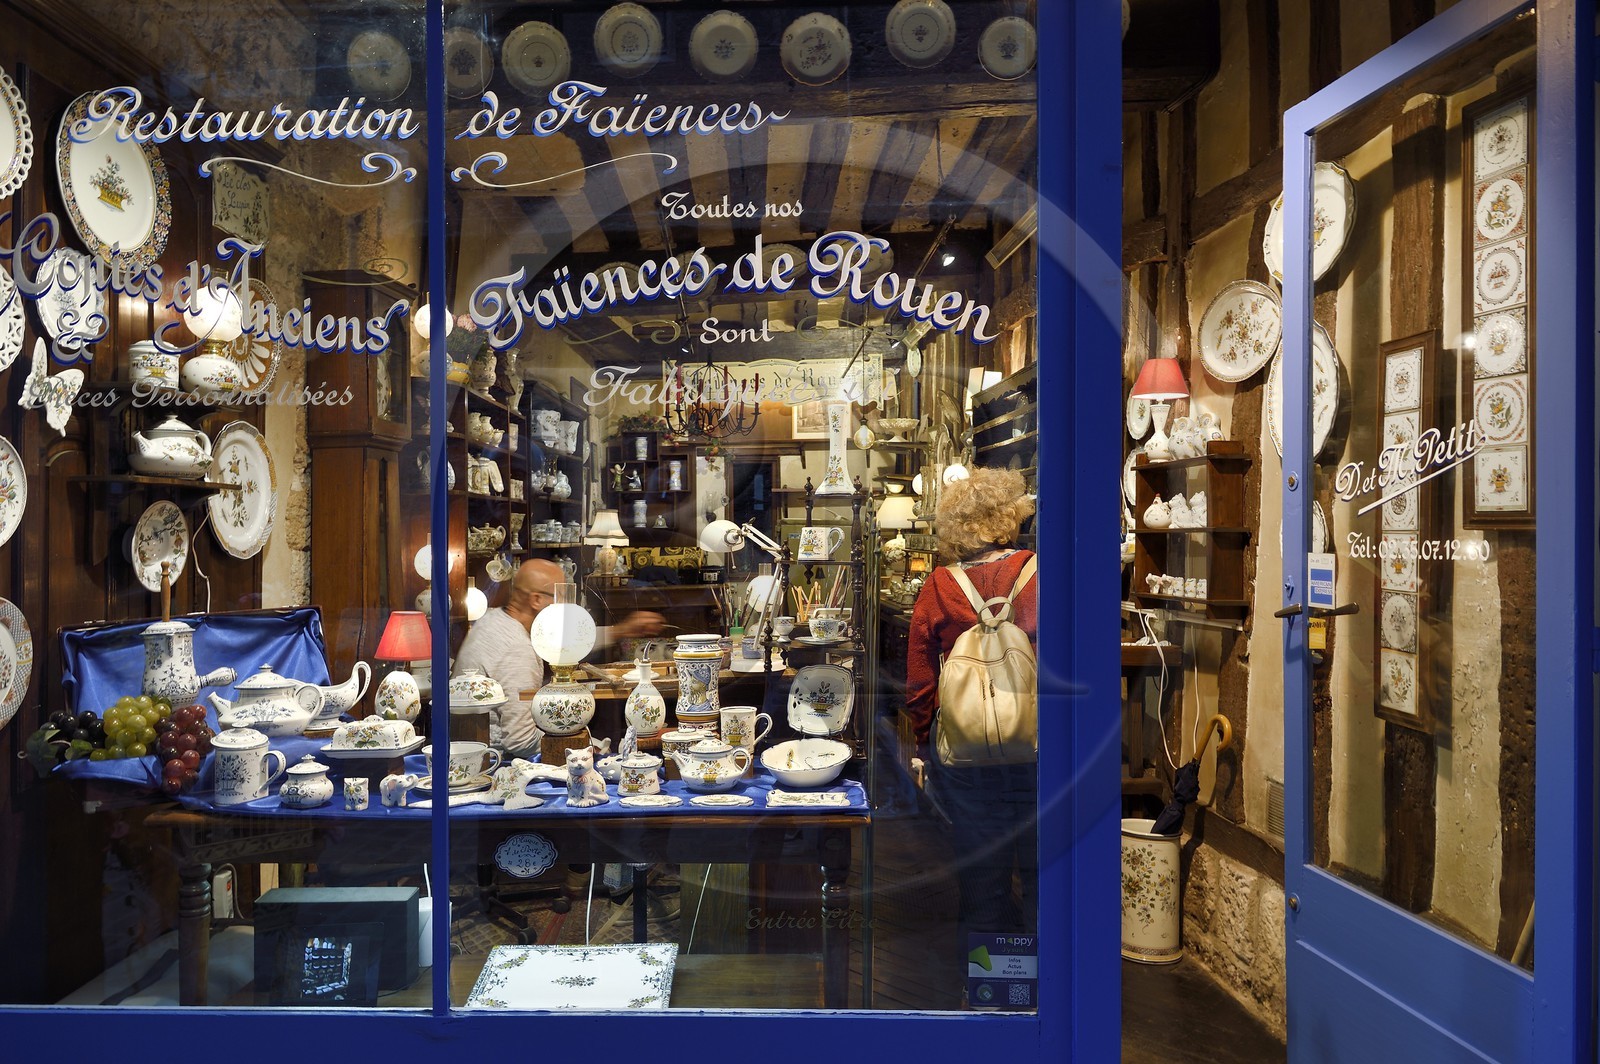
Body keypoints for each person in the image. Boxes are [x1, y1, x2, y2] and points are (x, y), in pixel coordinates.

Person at [904, 467, 1038, 941]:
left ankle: (987, 990)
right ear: (1011, 516)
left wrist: (924, 741)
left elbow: (920, 679)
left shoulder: (940, 585)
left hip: (963, 752)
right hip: (1037, 749)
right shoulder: (1039, 573)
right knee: (1043, 873)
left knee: (982, 879)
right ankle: (1045, 992)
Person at [454, 559, 663, 759]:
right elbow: (520, 741)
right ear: (537, 600)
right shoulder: (516, 649)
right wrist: (586, 748)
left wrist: (621, 630)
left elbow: (567, 639)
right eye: (562, 595)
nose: (568, 604)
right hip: (496, 760)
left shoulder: (496, 619)